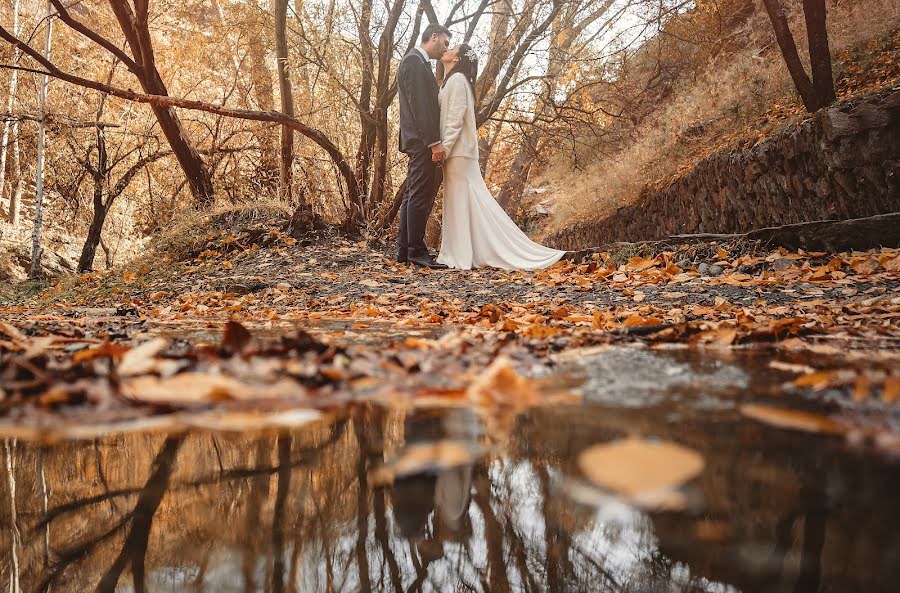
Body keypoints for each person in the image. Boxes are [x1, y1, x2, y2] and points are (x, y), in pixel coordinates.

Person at [435, 44, 567, 271]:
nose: (446, 49)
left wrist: (444, 148)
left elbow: (455, 118)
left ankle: (462, 253)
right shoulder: (454, 80)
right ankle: (465, 250)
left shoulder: (457, 81)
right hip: (457, 152)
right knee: (464, 201)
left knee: (464, 200)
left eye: (452, 48)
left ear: (456, 59)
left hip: (458, 152)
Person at [396, 24, 451, 269]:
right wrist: (434, 142)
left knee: (411, 195)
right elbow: (420, 107)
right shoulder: (414, 63)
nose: (446, 48)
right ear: (434, 37)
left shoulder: (416, 62)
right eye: (445, 43)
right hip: (421, 141)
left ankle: (405, 250)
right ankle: (417, 252)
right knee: (419, 195)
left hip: (416, 140)